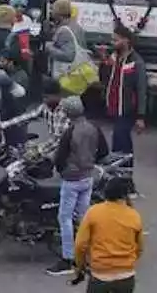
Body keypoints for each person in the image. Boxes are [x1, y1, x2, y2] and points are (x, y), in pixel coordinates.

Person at [48, 95, 109, 276]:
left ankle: (68, 258)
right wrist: (91, 162)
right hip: (88, 177)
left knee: (65, 218)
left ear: (68, 113)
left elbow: (60, 157)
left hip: (72, 178)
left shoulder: (70, 131)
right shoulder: (94, 127)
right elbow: (104, 151)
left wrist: (62, 170)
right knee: (83, 218)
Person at [72, 176, 143, 292]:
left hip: (100, 276)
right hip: (126, 277)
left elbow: (80, 244)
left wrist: (80, 266)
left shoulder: (94, 212)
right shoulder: (134, 216)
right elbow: (139, 248)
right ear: (125, 195)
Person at [102, 24, 148, 155]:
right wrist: (104, 61)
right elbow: (105, 79)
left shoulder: (136, 62)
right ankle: (124, 170)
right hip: (114, 106)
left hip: (127, 109)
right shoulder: (113, 57)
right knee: (120, 140)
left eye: (116, 40)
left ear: (126, 40)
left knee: (120, 138)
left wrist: (141, 116)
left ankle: (124, 168)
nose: (113, 43)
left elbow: (141, 89)